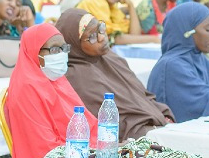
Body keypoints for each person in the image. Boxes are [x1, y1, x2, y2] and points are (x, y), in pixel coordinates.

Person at [56, 9, 173, 141]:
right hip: (131, 138)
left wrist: (164, 117)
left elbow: (143, 95)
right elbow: (110, 124)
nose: (102, 37)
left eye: (100, 28)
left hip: (155, 125)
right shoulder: (76, 76)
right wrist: (153, 130)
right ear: (74, 44)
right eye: (92, 36)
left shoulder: (111, 59)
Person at [5, 23, 98, 158]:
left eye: (63, 48)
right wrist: (93, 152)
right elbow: (45, 149)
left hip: (79, 155)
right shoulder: (26, 88)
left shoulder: (57, 80)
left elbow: (88, 124)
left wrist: (107, 147)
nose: (61, 54)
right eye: (54, 49)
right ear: (34, 51)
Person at [77, 0, 149, 46]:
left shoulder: (114, 9)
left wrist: (131, 6)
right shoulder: (95, 1)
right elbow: (112, 37)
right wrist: (154, 39)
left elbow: (134, 35)